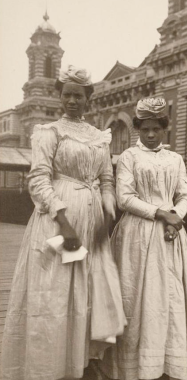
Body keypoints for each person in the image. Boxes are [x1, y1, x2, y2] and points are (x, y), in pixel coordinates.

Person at [1, 65, 126, 380]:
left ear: (88, 98)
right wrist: (63, 221)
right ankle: (48, 365)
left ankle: (82, 360)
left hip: (92, 219)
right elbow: (39, 179)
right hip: (58, 220)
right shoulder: (48, 131)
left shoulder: (100, 137)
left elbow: (107, 180)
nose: (72, 100)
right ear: (60, 96)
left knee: (88, 292)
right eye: (67, 95)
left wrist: (108, 214)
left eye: (78, 95)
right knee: (54, 293)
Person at [100, 97, 187, 380]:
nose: (151, 134)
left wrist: (174, 216)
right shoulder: (130, 156)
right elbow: (124, 198)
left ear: (165, 129)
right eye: (145, 129)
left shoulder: (175, 159)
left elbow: (186, 195)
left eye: (156, 128)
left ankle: (167, 363)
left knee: (169, 296)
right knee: (139, 297)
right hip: (138, 234)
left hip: (171, 236)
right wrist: (160, 214)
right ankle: (136, 367)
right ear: (138, 129)